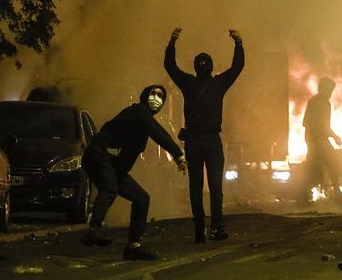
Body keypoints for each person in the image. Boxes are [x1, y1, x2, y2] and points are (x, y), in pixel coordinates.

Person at [80, 84, 186, 260]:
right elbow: (159, 133)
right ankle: (94, 229)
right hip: (99, 156)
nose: (156, 99)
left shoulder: (143, 122)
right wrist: (177, 154)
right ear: (145, 96)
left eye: (161, 96)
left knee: (141, 198)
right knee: (110, 188)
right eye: (153, 94)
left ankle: (133, 247)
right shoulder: (138, 111)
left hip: (113, 166)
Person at [164, 27, 244, 243]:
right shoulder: (218, 84)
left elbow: (170, 67)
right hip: (211, 141)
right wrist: (238, 43)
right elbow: (237, 67)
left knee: (196, 186)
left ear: (196, 68)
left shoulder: (188, 83)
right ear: (210, 68)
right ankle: (216, 227)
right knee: (216, 187)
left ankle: (199, 229)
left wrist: (172, 42)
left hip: (193, 141)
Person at [302, 76, 342, 199]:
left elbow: (308, 123)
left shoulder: (317, 101)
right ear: (323, 89)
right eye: (330, 90)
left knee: (315, 167)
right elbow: (320, 125)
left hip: (316, 139)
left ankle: (304, 193)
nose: (330, 94)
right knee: (332, 163)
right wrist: (334, 136)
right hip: (317, 140)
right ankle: (336, 192)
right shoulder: (321, 103)